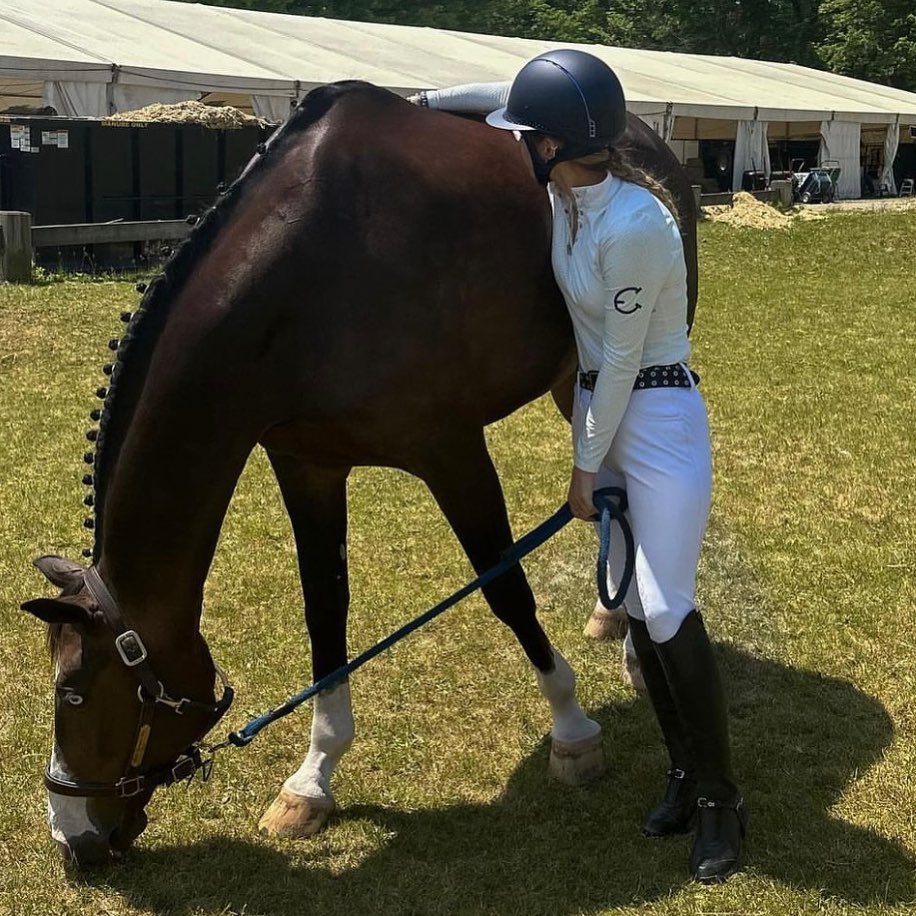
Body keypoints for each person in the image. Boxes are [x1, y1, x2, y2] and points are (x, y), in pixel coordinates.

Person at [414, 49, 747, 883]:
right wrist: (416, 99)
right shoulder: (567, 195)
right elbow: (504, 96)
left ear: (557, 145)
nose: (517, 143)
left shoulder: (636, 225)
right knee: (632, 602)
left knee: (667, 605)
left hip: (658, 416)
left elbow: (623, 364)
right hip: (611, 412)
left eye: (530, 136)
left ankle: (721, 802)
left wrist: (581, 467)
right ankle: (679, 774)